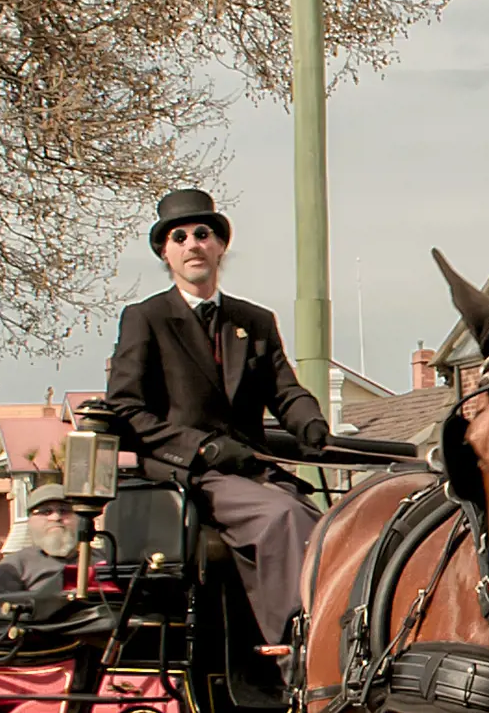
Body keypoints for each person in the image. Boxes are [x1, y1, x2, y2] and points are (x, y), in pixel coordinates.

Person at [102, 187, 332, 648]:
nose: (193, 244)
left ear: (220, 245)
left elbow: (284, 391)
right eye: (180, 237)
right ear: (165, 253)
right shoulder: (145, 318)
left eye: (203, 234)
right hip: (187, 476)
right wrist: (200, 447)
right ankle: (296, 645)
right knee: (283, 517)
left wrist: (311, 423)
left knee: (332, 523)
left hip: (248, 469)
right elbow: (125, 409)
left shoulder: (254, 320)